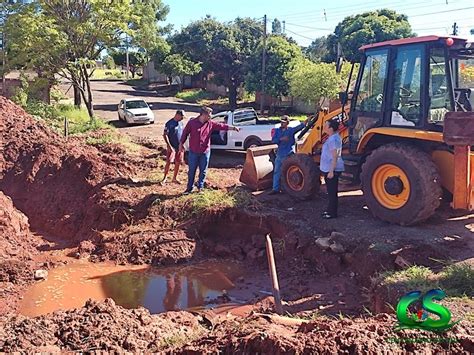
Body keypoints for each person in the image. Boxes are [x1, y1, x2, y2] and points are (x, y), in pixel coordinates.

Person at [179, 106, 240, 194]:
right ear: (203, 115)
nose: (210, 117)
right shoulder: (192, 123)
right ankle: (189, 188)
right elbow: (185, 133)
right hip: (194, 151)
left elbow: (221, 126)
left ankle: (200, 187)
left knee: (203, 170)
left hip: (205, 151)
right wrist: (181, 144)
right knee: (192, 170)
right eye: (209, 115)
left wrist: (233, 128)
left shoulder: (210, 124)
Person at [270, 115, 307, 195]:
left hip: (289, 154)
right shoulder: (277, 131)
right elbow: (273, 140)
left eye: (284, 122)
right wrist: (281, 139)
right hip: (280, 154)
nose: (282, 124)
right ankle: (275, 188)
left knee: (287, 172)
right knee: (277, 171)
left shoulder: (290, 130)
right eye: (281, 122)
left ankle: (287, 188)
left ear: (287, 123)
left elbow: (299, 127)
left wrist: (305, 122)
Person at [320, 119, 345, 219]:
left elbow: (335, 156)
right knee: (331, 192)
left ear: (331, 128)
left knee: (332, 192)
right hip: (331, 168)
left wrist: (331, 171)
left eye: (326, 126)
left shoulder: (333, 140)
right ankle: (329, 210)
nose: (324, 127)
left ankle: (332, 213)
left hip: (332, 169)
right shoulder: (334, 137)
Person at [161, 110, 185, 185]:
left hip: (179, 146)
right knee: (169, 161)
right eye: (182, 117)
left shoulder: (181, 123)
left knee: (178, 162)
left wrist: (182, 144)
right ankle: (164, 178)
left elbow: (182, 134)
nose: (182, 118)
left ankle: (174, 178)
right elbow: (165, 135)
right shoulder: (169, 123)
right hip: (172, 146)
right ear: (177, 115)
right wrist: (168, 145)